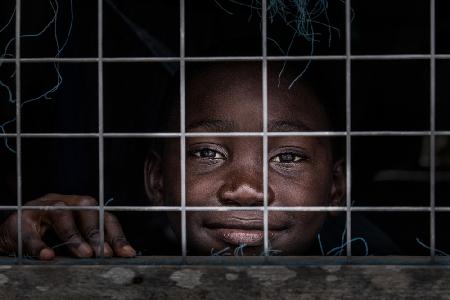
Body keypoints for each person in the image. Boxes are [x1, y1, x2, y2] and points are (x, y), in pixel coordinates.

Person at [0, 61, 397, 259]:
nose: (245, 190)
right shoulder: (112, 257)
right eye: (207, 153)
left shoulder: (385, 266)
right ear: (156, 179)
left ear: (335, 187)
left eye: (288, 156)